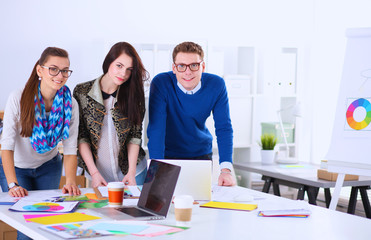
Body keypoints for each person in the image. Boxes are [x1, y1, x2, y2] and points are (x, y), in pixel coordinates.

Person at [0, 47, 81, 240]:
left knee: (48, 224)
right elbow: (7, 145)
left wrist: (70, 181)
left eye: (65, 70)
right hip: (17, 169)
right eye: (53, 69)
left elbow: (70, 149)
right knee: (27, 228)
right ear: (40, 70)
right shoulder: (18, 98)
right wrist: (12, 184)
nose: (60, 75)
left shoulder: (70, 104)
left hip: (48, 167)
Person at [147, 41, 236, 186]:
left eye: (194, 65)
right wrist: (156, 169)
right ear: (174, 68)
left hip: (200, 156)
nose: (188, 72)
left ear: (203, 67)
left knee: (199, 203)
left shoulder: (217, 85)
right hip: (167, 156)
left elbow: (224, 128)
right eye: (181, 66)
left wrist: (226, 170)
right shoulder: (161, 83)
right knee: (164, 203)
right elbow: (156, 129)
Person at [73, 42, 148, 188]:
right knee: (98, 211)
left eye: (129, 69)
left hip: (133, 173)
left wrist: (132, 172)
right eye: (119, 66)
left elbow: (135, 136)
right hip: (97, 174)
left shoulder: (135, 95)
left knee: (135, 211)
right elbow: (81, 136)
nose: (123, 74)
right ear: (109, 62)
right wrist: (94, 174)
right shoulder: (81, 92)